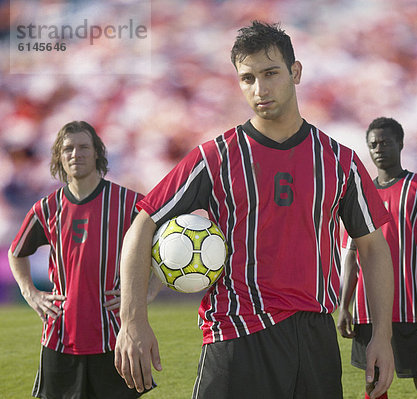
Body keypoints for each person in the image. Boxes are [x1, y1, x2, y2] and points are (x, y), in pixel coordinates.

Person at [114, 21, 395, 399]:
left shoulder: (339, 161)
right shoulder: (216, 157)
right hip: (237, 334)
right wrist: (132, 322)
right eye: (247, 78)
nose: (260, 89)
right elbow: (142, 225)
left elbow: (373, 247)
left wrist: (382, 336)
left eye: (271, 73)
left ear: (295, 73)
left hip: (314, 339)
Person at [8, 121, 160, 399]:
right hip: (60, 336)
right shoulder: (46, 208)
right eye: (67, 149)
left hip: (114, 335)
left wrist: (149, 290)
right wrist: (30, 293)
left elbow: (166, 245)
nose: (75, 154)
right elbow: (16, 253)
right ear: (59, 157)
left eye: (83, 147)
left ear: (97, 154)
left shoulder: (128, 203)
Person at [338, 117, 417, 399]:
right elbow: (351, 255)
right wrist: (344, 305)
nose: (379, 149)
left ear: (400, 143)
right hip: (367, 309)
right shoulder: (360, 193)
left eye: (385, 142)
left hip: (412, 307)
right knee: (373, 383)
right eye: (373, 144)